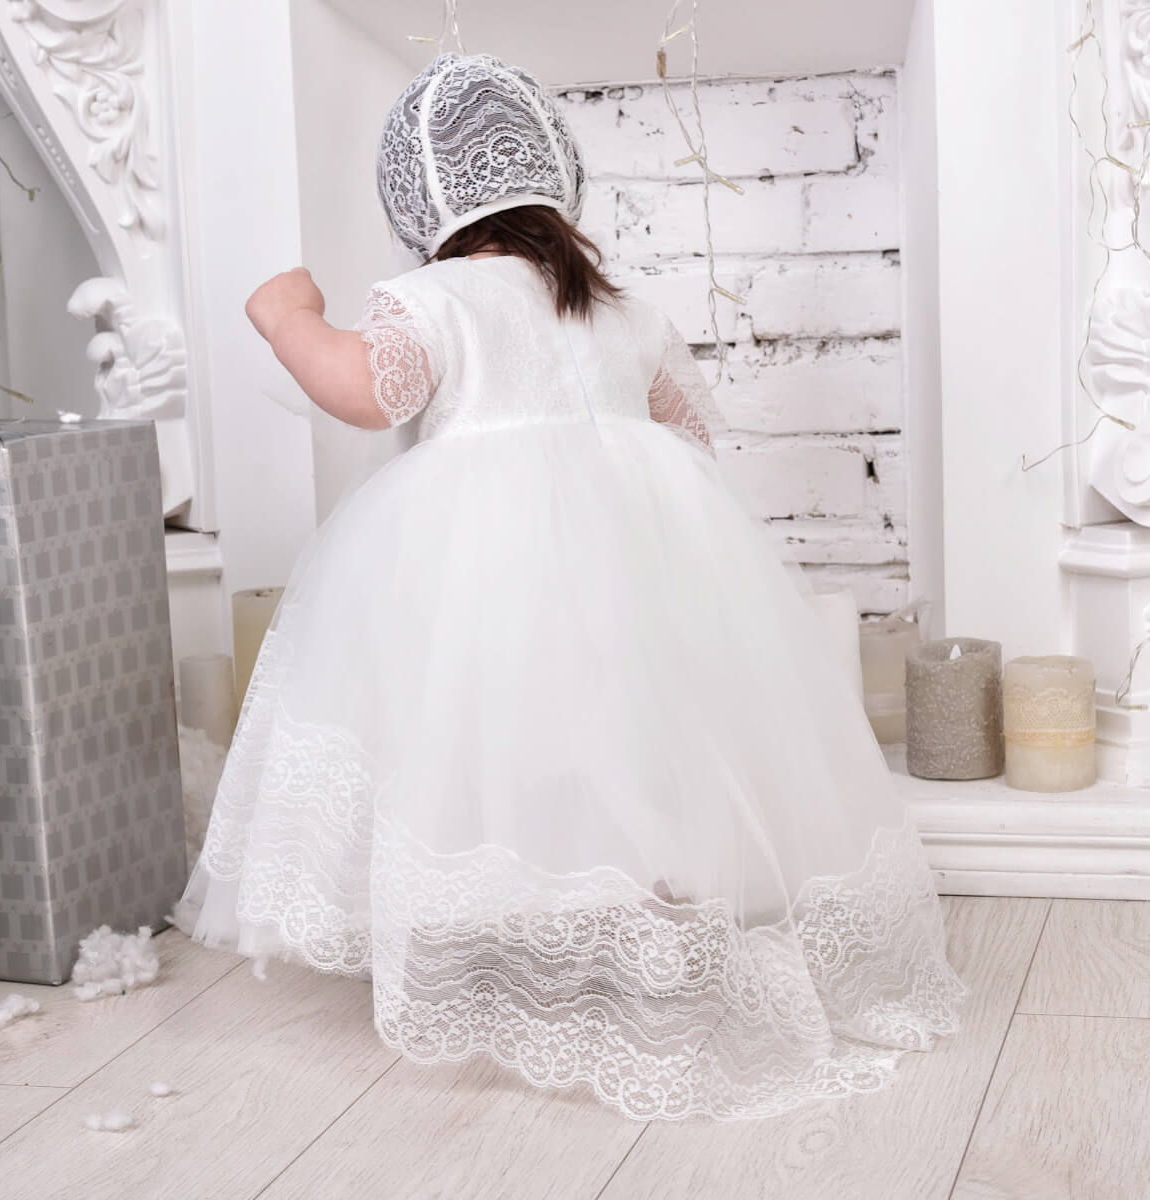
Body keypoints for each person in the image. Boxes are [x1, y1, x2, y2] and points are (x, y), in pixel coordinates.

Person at [174, 52, 966, 1122]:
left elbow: (370, 393)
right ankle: (650, 908)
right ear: (560, 189)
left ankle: (477, 904)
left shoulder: (433, 296)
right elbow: (686, 429)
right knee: (636, 733)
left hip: (479, 568)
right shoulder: (619, 306)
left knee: (481, 728)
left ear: (424, 205)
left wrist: (288, 319)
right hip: (638, 560)